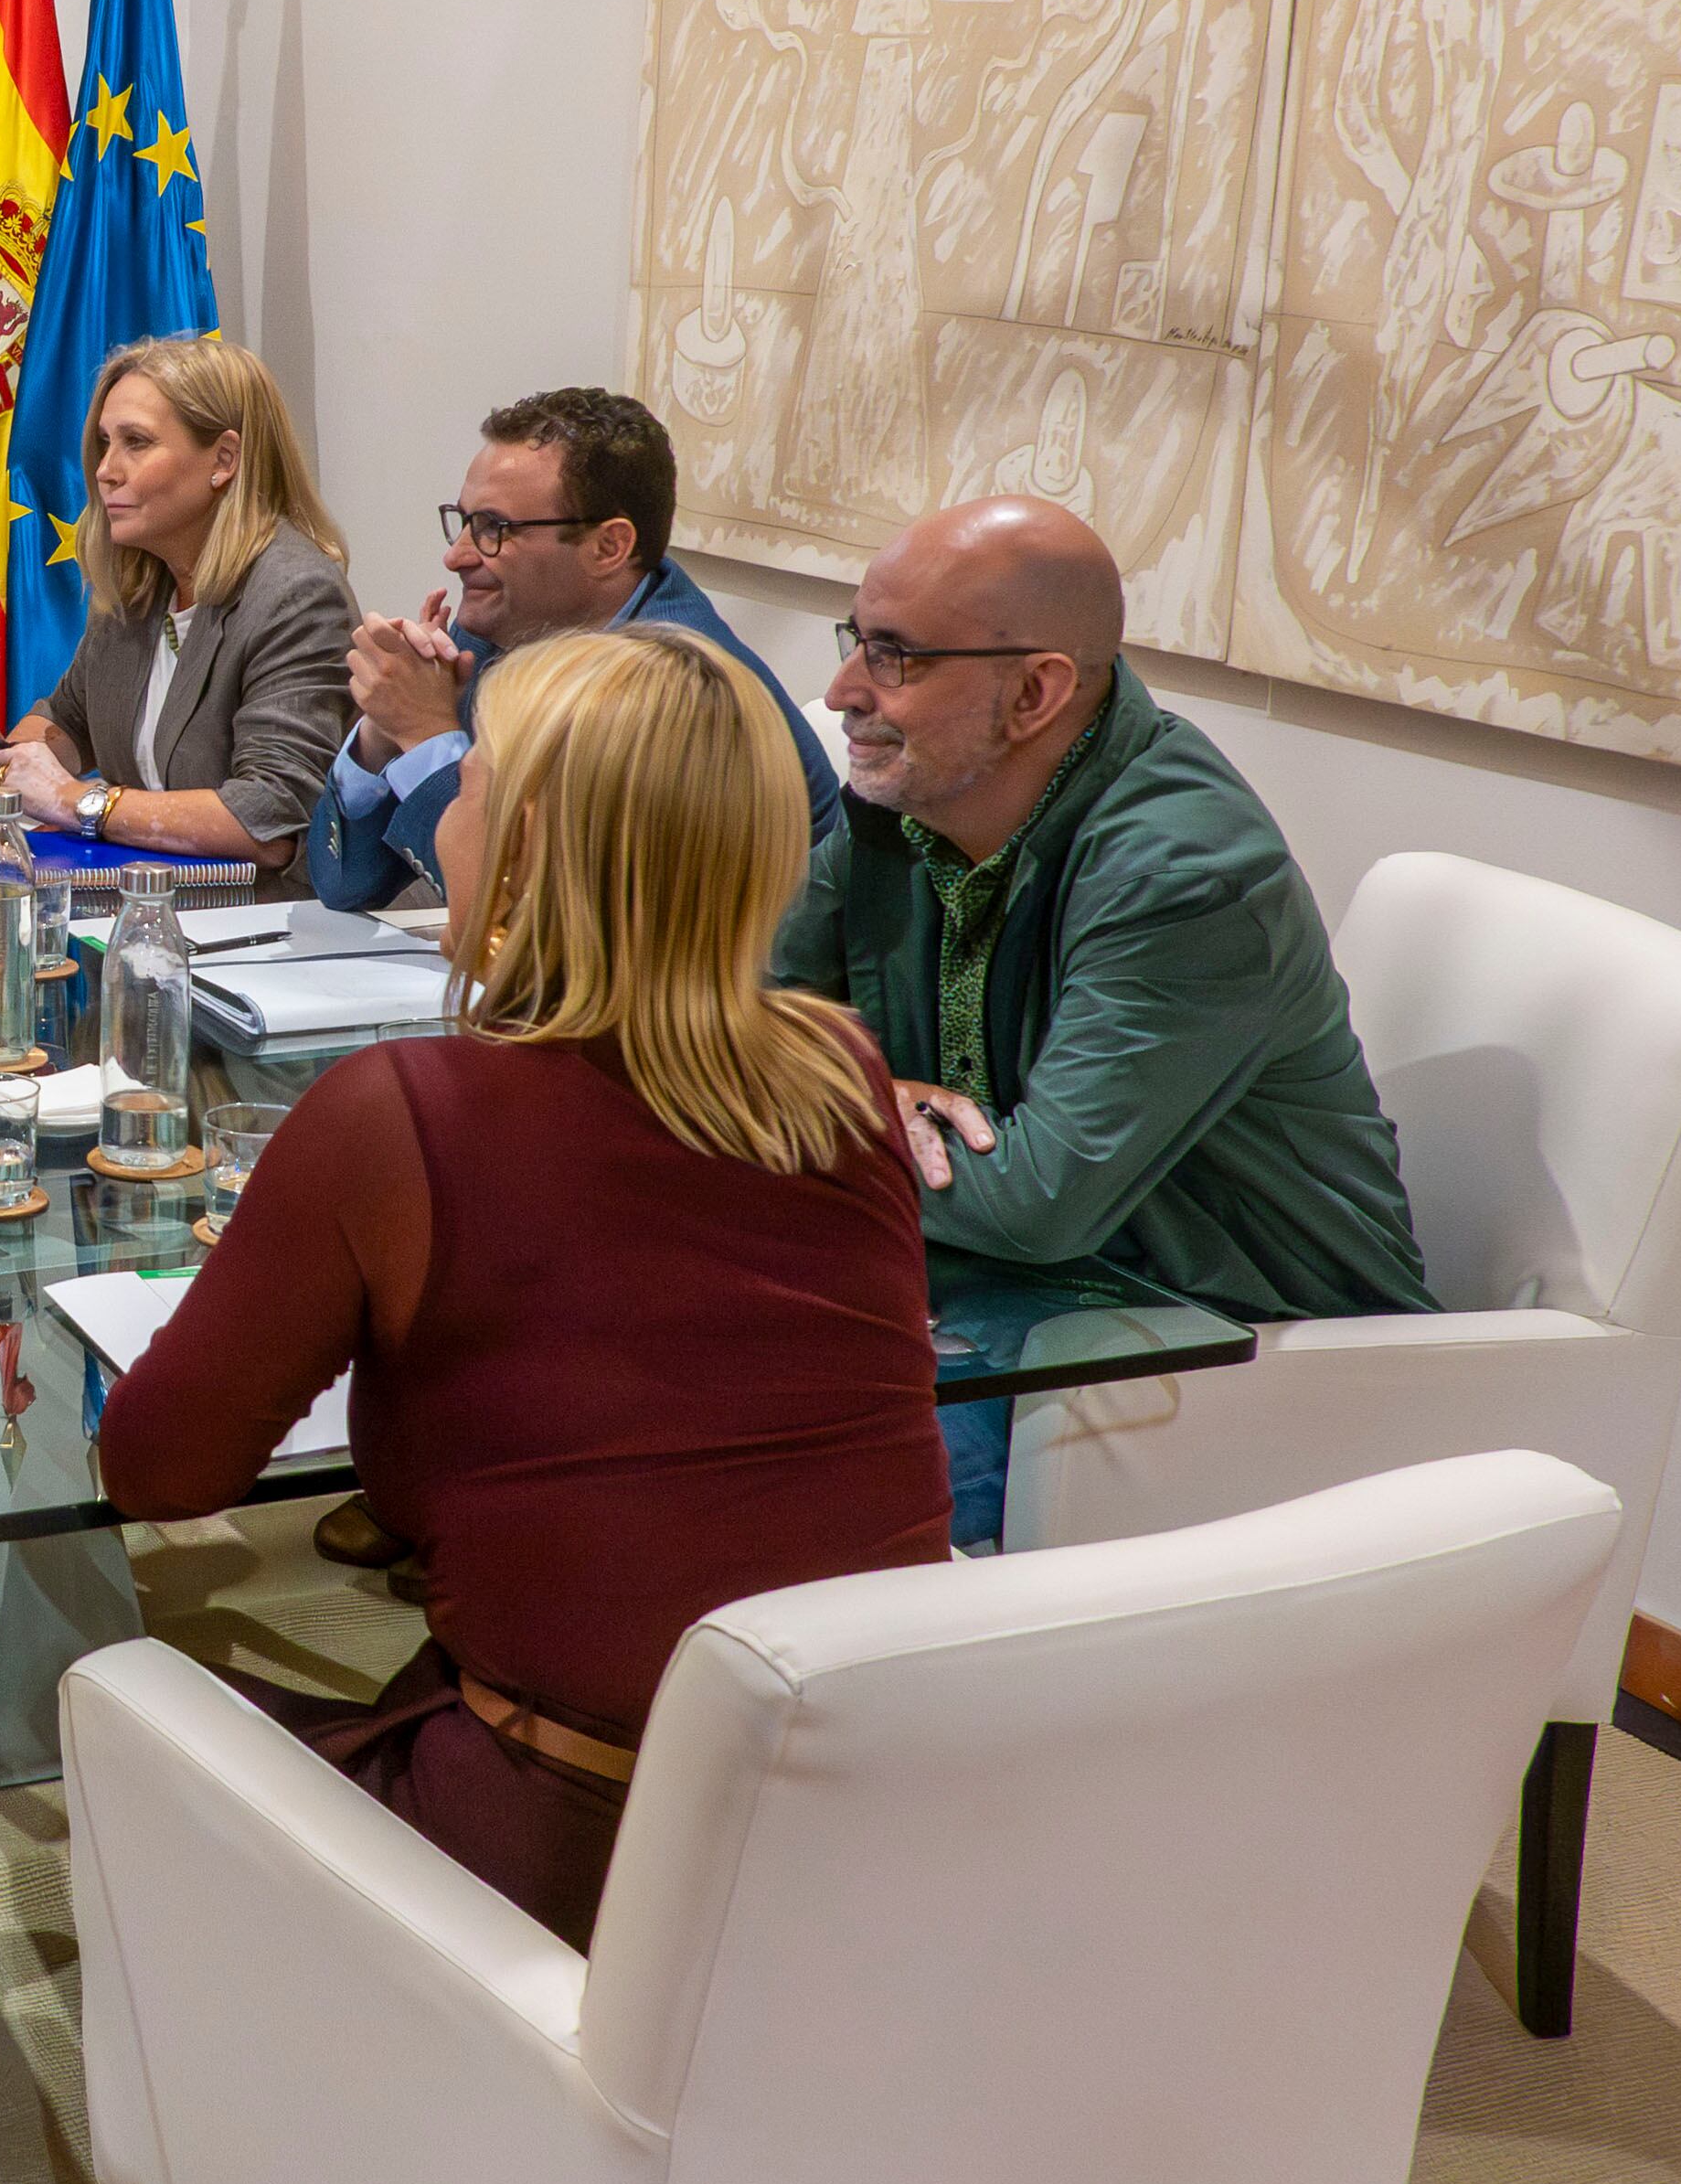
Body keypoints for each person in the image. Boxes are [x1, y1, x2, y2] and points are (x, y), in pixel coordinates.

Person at [100, 624, 952, 1949]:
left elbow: (156, 1471)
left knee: (118, 1690)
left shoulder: (398, 1116)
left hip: (567, 1857)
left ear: (526, 840)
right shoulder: (839, 1070)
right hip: (873, 1826)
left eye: (476, 768)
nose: (451, 798)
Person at [772, 495, 1433, 1548]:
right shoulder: (903, 803)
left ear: (1034, 692)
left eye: (892, 656)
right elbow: (748, 1025)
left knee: (806, 1487)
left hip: (1221, 1340)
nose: (842, 690)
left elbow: (1036, 1201)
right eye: (857, 640)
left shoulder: (1186, 875)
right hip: (992, 1286)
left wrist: (823, 1101)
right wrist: (856, 1093)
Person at [308, 386, 839, 911]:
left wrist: (426, 735)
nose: (457, 556)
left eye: (494, 528)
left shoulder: (688, 691)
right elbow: (344, 884)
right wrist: (384, 733)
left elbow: (542, 923)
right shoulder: (501, 631)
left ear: (609, 547)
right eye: (465, 521)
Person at [0, 336, 354, 884]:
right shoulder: (138, 586)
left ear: (223, 460)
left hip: (258, 933)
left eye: (137, 442)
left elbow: (269, 819)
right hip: (145, 914)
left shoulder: (296, 595)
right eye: (106, 443)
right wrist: (1, 761)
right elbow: (66, 720)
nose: (106, 470)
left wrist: (77, 802)